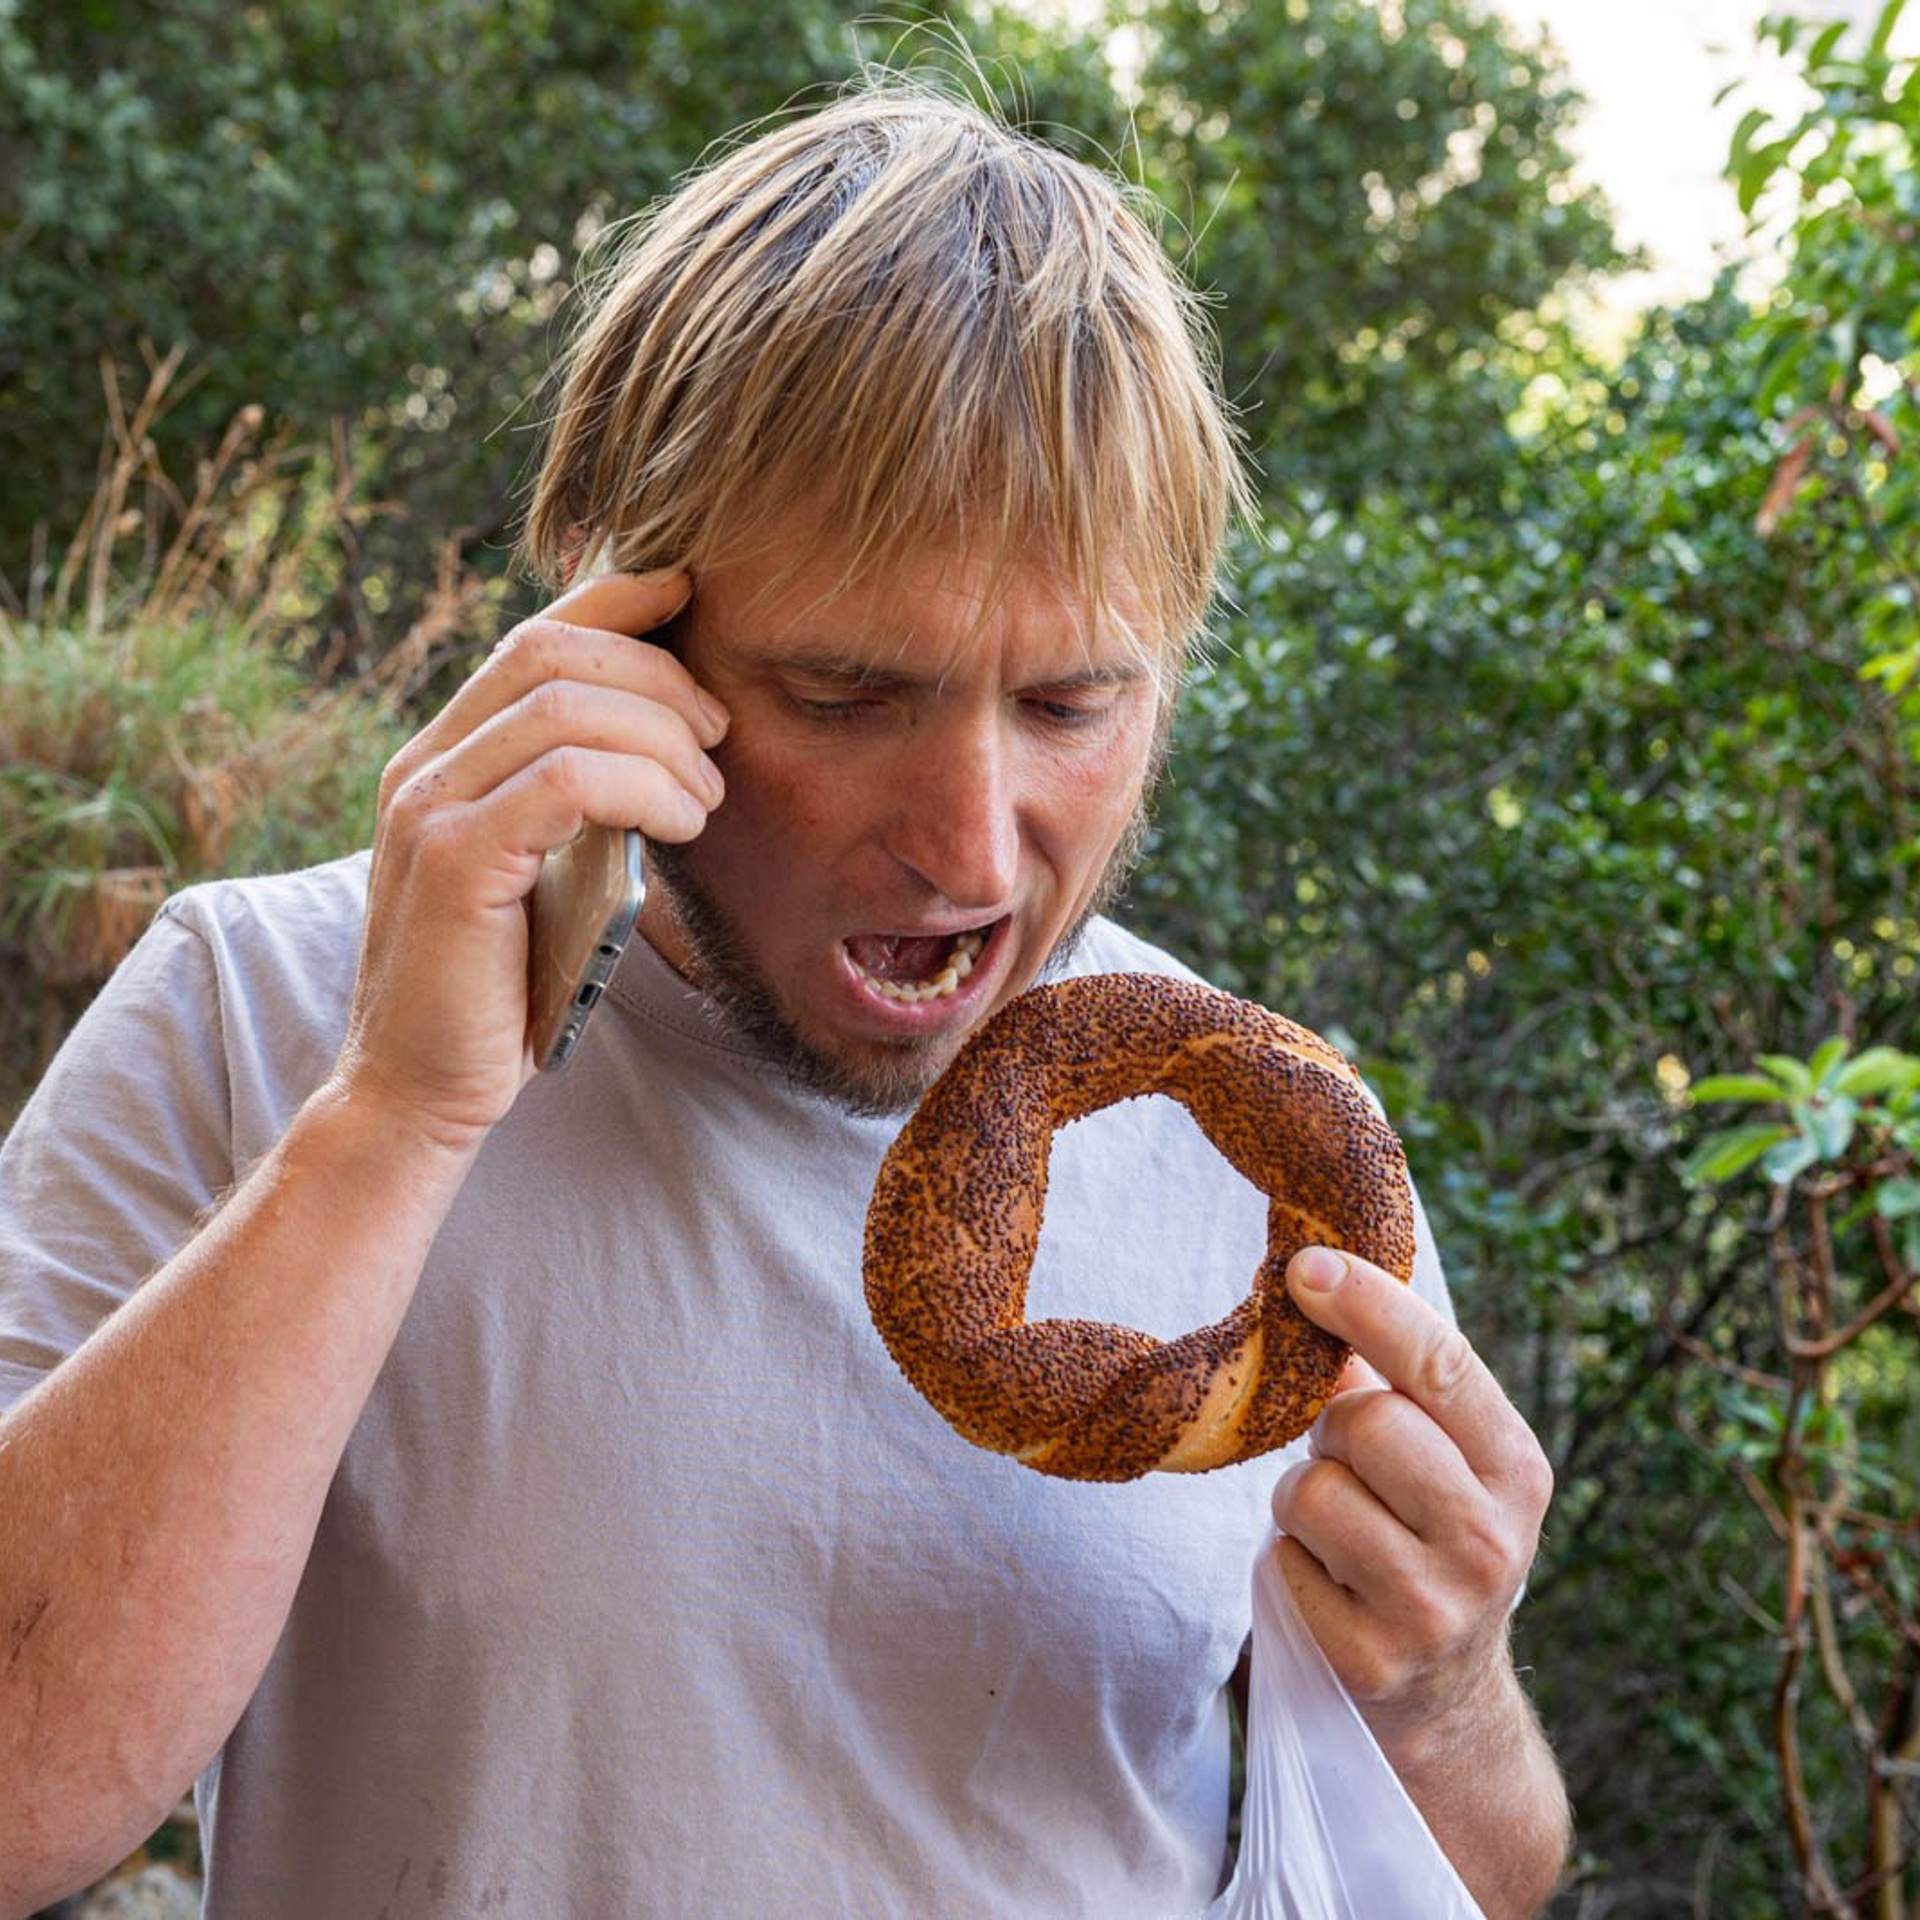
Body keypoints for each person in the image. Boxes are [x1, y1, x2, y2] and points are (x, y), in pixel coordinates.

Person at [0, 81, 1569, 1918]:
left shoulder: (1270, 1168)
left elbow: (1458, 1880)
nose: (976, 847)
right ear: (616, 635)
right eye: (844, 696)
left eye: (1071, 705)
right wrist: (393, 1121)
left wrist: (1453, 1698)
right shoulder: (251, 1014)